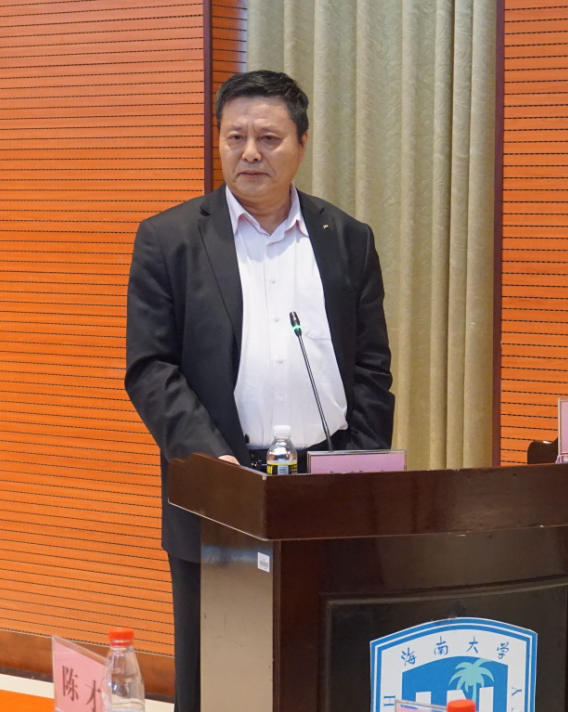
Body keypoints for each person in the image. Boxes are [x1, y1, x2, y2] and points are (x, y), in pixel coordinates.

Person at [124, 70, 394, 711]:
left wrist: (357, 461)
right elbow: (151, 367)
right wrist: (209, 461)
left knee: (326, 665)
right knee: (217, 673)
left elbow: (372, 367)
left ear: (301, 143)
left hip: (325, 483)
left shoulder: (347, 239)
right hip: (221, 483)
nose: (250, 153)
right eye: (235, 137)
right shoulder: (169, 239)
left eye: (268, 138)